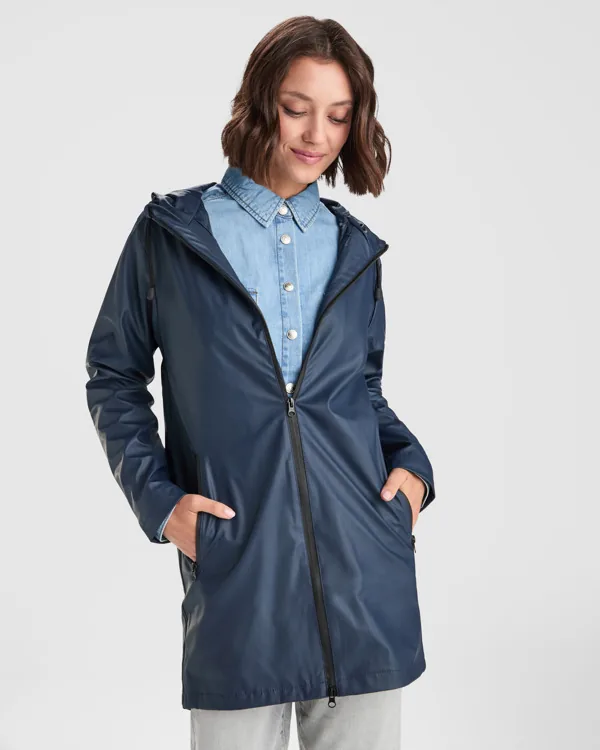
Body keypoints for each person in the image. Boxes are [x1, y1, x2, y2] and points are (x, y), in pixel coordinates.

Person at [84, 15, 436, 750]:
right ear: (258, 102)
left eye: (338, 116)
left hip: (364, 579)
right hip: (238, 575)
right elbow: (114, 374)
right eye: (296, 108)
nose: (317, 135)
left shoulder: (354, 249)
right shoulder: (172, 235)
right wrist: (160, 503)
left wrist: (413, 471)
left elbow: (361, 393)